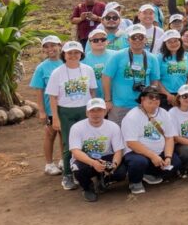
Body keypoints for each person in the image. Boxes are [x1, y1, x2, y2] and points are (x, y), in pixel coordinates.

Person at [45, 41, 99, 190]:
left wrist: (94, 110)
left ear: (81, 54)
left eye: (76, 52)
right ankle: (67, 175)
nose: (73, 55)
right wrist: (55, 118)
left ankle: (85, 172)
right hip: (66, 111)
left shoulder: (88, 70)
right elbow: (53, 97)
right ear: (64, 54)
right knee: (69, 144)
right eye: (70, 53)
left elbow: (92, 91)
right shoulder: (58, 72)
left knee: (87, 142)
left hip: (85, 110)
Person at [120, 85, 181, 194]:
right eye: (151, 97)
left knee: (175, 162)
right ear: (142, 99)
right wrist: (153, 156)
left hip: (159, 152)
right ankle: (135, 181)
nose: (154, 99)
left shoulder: (164, 113)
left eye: (157, 97)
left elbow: (169, 137)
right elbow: (131, 143)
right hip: (137, 153)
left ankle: (148, 174)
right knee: (139, 162)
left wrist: (168, 156)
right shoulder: (132, 116)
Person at [68, 97, 127, 202]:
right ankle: (87, 187)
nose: (96, 114)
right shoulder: (77, 127)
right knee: (78, 169)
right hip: (86, 158)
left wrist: (113, 165)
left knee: (121, 171)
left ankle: (104, 180)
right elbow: (76, 152)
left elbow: (118, 151)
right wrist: (93, 163)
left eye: (99, 110)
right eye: (92, 111)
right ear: (87, 113)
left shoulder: (113, 126)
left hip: (106, 157)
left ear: (105, 112)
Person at [102, 24, 161, 125]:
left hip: (142, 105)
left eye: (140, 37)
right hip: (120, 105)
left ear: (145, 39)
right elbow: (106, 77)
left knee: (140, 132)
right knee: (117, 132)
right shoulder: (117, 56)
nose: (137, 40)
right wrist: (108, 100)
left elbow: (154, 81)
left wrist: (151, 98)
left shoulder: (152, 58)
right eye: (134, 37)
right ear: (128, 39)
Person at [31, 35, 64, 176]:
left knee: (64, 135)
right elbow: (39, 90)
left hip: (66, 107)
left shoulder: (67, 62)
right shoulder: (42, 68)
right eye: (47, 46)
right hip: (51, 108)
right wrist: (42, 111)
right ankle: (49, 164)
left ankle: (63, 160)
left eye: (53, 45)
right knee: (50, 134)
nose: (50, 49)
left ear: (60, 46)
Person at [157, 30, 188, 106]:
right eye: (170, 42)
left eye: (176, 40)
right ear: (165, 44)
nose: (173, 44)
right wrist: (167, 95)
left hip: (184, 96)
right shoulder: (159, 57)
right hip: (164, 96)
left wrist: (184, 92)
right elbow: (156, 79)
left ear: (180, 41)